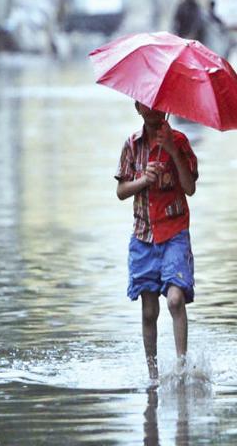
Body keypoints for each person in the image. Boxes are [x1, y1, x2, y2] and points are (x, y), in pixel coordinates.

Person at [114, 102, 197, 382]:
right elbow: (121, 191)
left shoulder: (180, 141)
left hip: (174, 233)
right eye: (148, 105)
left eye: (160, 105)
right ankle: (153, 375)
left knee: (175, 300)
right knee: (149, 309)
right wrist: (142, 180)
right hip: (143, 236)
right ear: (138, 107)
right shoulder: (132, 145)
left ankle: (182, 367)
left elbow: (189, 187)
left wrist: (173, 151)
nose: (154, 110)